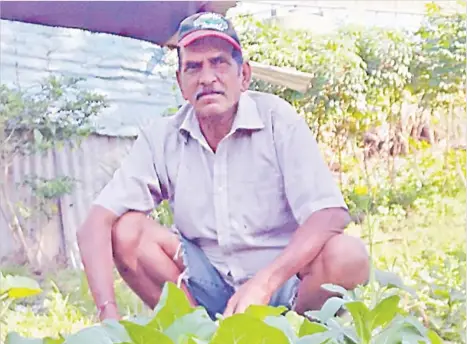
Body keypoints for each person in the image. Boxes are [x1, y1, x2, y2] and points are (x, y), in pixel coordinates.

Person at [77, 12, 370, 322]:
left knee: (347, 256)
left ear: (243, 75)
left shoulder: (277, 120)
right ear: (180, 82)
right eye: (193, 67)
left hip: (284, 285)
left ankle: (292, 338)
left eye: (218, 63)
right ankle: (198, 338)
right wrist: (107, 311)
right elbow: (96, 223)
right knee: (127, 231)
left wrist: (265, 282)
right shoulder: (161, 138)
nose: (207, 78)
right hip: (206, 286)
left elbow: (329, 214)